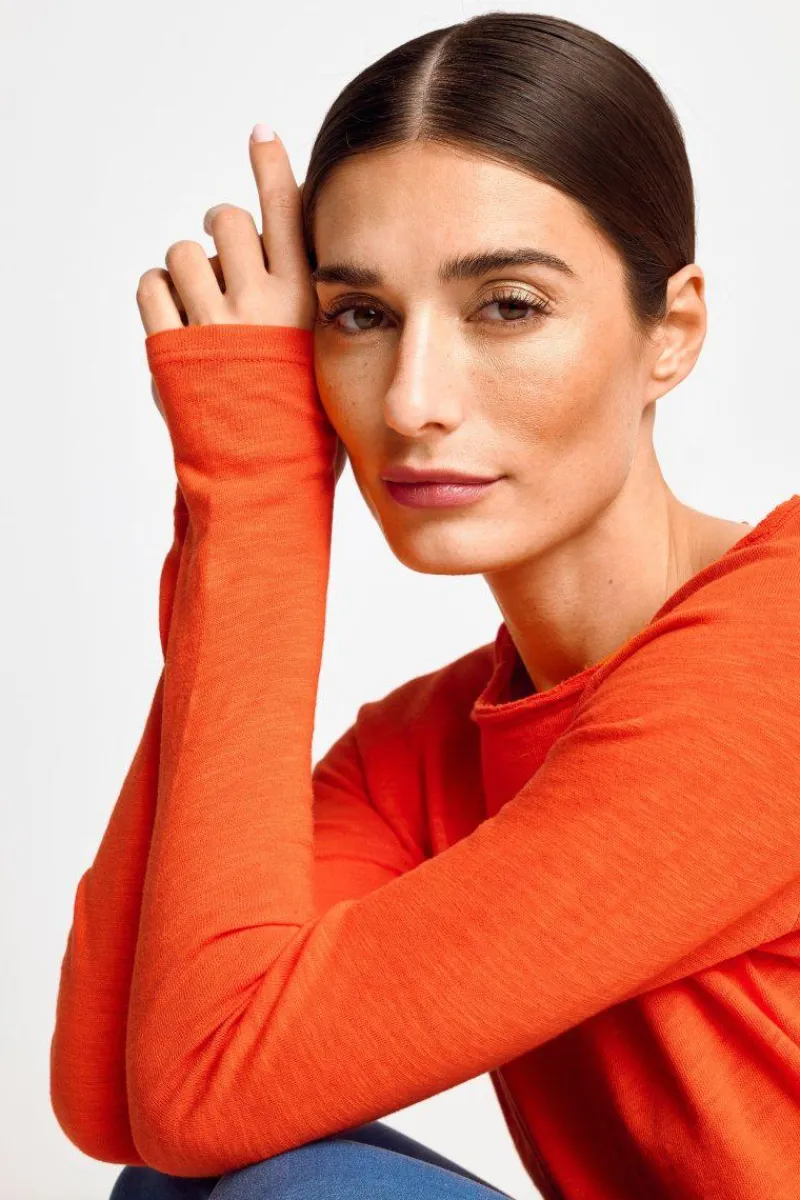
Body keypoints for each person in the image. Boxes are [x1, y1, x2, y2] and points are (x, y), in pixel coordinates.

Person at [50, 13, 800, 1200]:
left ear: (671, 333)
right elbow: (119, 1096)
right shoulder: (418, 753)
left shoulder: (775, 662)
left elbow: (195, 1090)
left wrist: (255, 482)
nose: (410, 401)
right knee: (190, 1182)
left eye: (506, 305)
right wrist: (243, 497)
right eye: (359, 315)